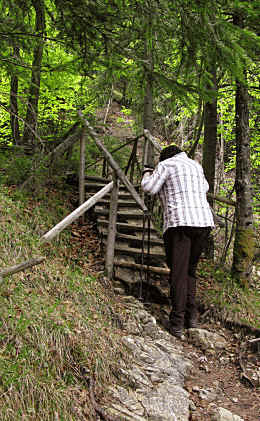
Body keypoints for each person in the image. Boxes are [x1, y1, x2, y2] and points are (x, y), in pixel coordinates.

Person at [141, 145, 214, 339]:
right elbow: (205, 187)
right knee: (190, 272)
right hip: (204, 222)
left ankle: (177, 324)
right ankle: (192, 319)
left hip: (180, 223)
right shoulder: (195, 165)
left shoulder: (166, 164)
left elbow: (149, 188)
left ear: (164, 157)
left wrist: (148, 172)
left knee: (178, 274)